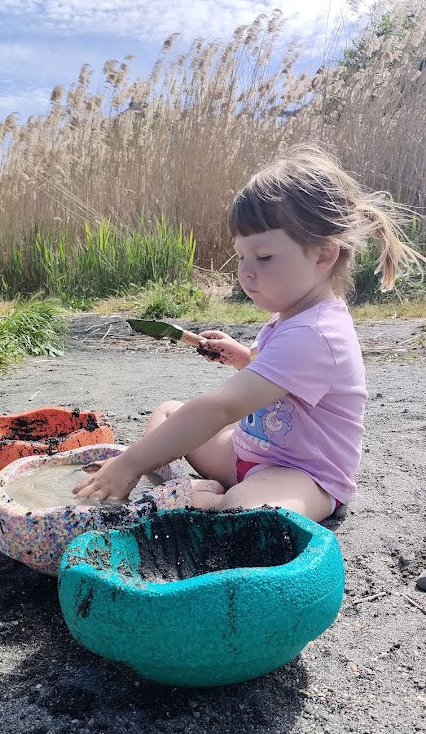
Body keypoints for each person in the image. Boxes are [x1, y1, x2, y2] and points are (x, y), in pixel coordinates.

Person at [73, 144, 423, 522]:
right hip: (248, 451)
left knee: (244, 514)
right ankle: (205, 492)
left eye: (264, 256)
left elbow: (223, 407)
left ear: (323, 255)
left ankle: (208, 499)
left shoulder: (317, 333)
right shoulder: (289, 314)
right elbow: (275, 377)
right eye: (241, 256)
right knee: (168, 414)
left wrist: (131, 461)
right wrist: (243, 357)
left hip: (301, 476)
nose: (244, 271)